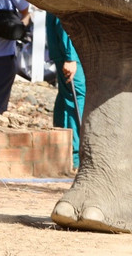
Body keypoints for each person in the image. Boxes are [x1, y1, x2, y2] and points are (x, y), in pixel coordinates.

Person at [45, 14, 83, 168]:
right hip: (70, 54)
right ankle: (74, 156)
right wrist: (70, 57)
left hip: (64, 52)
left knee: (65, 97)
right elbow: (66, 19)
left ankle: (61, 150)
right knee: (76, 98)